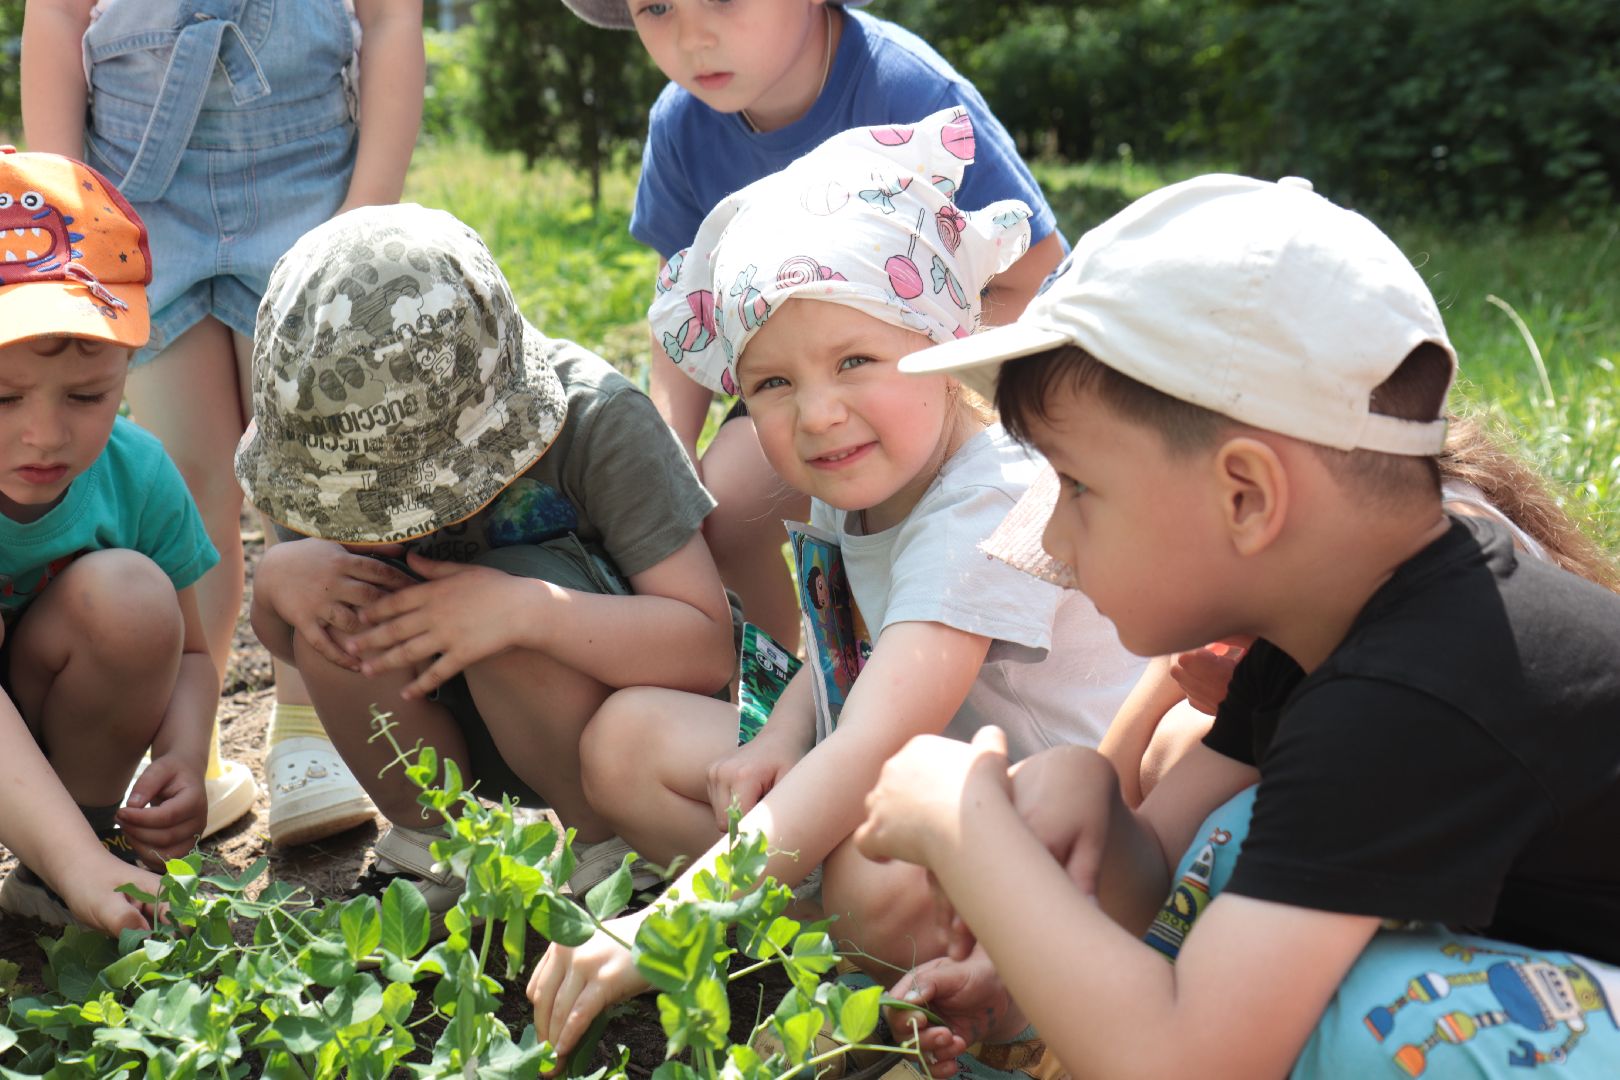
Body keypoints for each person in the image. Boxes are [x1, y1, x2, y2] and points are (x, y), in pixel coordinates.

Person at [851, 174, 1620, 1077]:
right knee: (1236, 846)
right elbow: (1168, 893)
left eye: (1080, 487)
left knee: (1375, 1017)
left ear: (1246, 496)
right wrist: (1092, 807)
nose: (1055, 535)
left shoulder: (1416, 685)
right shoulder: (1328, 629)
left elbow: (1189, 1063)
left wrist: (963, 831)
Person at [527, 109, 1145, 1055]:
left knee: (868, 877)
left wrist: (668, 921)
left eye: (856, 361)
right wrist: (780, 732)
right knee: (625, 743)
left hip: (1060, 835)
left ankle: (988, 1008)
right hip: (908, 769)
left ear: (943, 347)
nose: (818, 415)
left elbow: (869, 746)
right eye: (770, 384)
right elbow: (841, 634)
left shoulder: (983, 504)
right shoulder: (865, 473)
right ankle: (824, 941)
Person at [240, 203, 736, 917]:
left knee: (510, 613)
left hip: (617, 732)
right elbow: (297, 645)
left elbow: (706, 647)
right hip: (447, 730)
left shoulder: (598, 421)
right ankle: (437, 846)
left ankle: (611, 852)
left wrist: (530, 615)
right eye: (364, 507)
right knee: (334, 608)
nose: (386, 526)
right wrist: (279, 588)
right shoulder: (321, 439)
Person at [20, 0, 426, 846]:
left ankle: (312, 730)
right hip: (131, 201)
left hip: (310, 185)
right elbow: (57, 14)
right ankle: (184, 746)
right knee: (184, 480)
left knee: (314, 475)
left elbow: (390, 19)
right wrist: (62, 204)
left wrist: (364, 214)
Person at [560, 0, 1066, 653]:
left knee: (940, 506)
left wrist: (952, 391)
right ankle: (777, 676)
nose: (692, 35)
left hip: (945, 373)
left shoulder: (906, 88)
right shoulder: (681, 125)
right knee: (731, 501)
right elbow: (686, 303)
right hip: (787, 383)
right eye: (656, 7)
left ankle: (917, 658)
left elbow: (1039, 277)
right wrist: (671, 447)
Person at [0, 148, 218, 932]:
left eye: (88, 395)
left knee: (132, 596)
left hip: (48, 720)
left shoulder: (136, 473)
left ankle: (60, 865)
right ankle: (77, 865)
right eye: (2, 396)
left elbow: (190, 653)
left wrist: (186, 758)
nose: (44, 433)